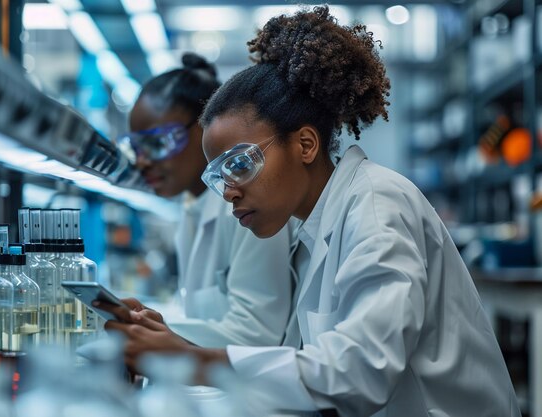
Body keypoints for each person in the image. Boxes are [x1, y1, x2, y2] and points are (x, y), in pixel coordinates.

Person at [98, 7, 521, 417]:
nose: (227, 193)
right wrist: (175, 345)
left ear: (305, 144)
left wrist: (193, 362)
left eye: (240, 165)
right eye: (217, 177)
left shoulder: (377, 206)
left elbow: (360, 374)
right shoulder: (312, 229)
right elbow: (304, 367)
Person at [120, 52, 295, 348]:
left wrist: (154, 333)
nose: (142, 162)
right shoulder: (192, 206)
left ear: (205, 127)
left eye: (157, 143)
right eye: (136, 148)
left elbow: (257, 333)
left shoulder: (247, 209)